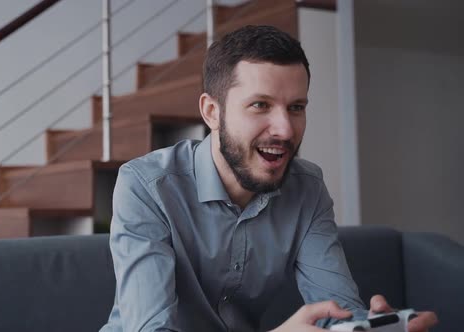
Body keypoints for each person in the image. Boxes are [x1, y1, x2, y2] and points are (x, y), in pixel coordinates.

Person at [99, 25, 437, 332]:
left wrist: (368, 327)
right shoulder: (145, 185)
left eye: (296, 107)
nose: (286, 130)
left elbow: (337, 310)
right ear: (211, 112)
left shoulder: (307, 188)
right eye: (261, 105)